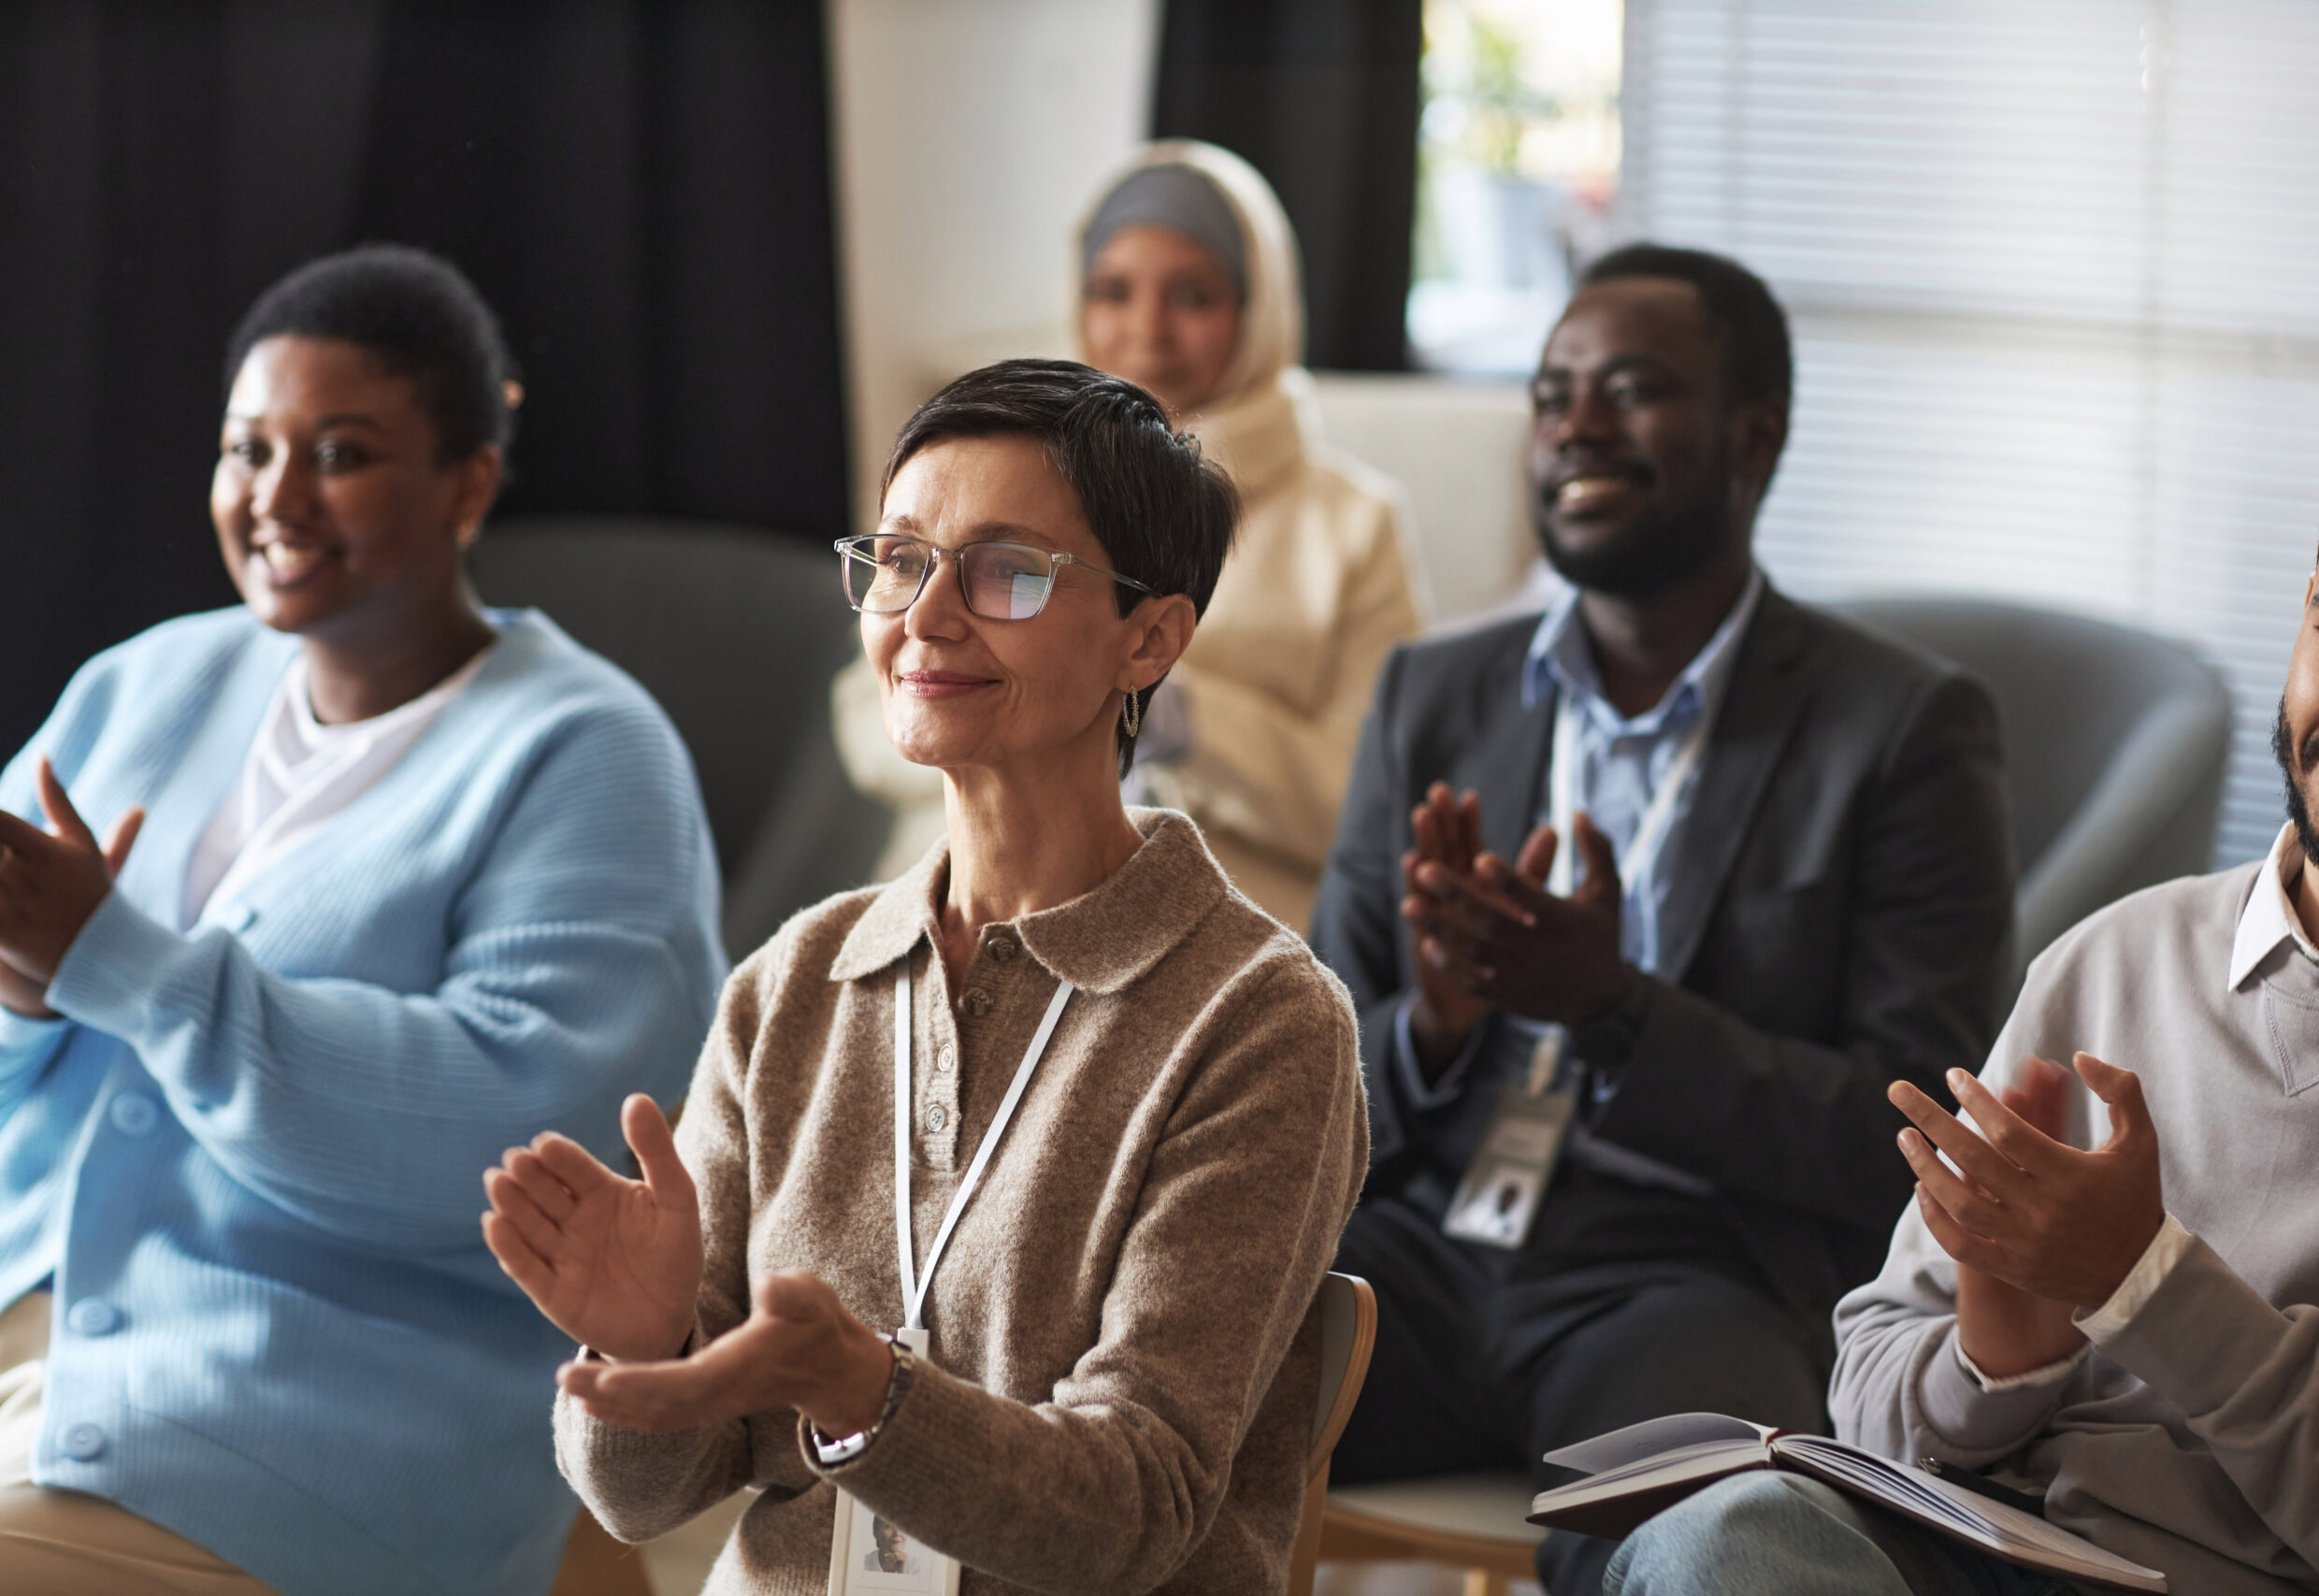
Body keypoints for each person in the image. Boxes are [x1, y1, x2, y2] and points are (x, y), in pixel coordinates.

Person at [483, 360, 1370, 1593]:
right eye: (900, 561)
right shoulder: (797, 979)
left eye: (1005, 571)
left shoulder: (1259, 1020)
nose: (927, 616)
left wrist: (867, 1392)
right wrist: (644, 1346)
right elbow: (643, 1499)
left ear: (1150, 635)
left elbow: (1136, 1503)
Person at [0, 244, 724, 1595]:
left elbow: (522, 1148)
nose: (275, 497)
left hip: (289, 1425)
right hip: (36, 1347)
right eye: (245, 449)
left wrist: (117, 962)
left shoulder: (587, 751)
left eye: (337, 452)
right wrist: (26, 997)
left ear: (469, 484)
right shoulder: (145, 683)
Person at [1310, 243, 2016, 1592]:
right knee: (1109, 1385)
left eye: (1630, 389)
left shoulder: (1907, 729)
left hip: (1680, 1278)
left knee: (1717, 1555)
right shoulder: (1432, 697)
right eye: (1551, 391)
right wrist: (1441, 1023)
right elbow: (1308, 1072)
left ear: (1757, 431)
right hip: (1408, 1252)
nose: (1575, 422)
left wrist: (1615, 1010)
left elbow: (1913, 1140)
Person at [1604, 444, 2319, 1596]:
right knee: (1715, 1536)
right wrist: (1993, 1362)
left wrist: (2143, 1280)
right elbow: (1869, 1392)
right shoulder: (2114, 959)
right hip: (1977, 1552)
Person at [834, 139, 1423, 927]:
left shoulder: (1352, 525)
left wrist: (1187, 718)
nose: (1147, 329)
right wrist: (1011, 720)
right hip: (962, 896)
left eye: (1192, 296)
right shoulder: (988, 486)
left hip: (1229, 917)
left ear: (1261, 312)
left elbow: (1378, 792)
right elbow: (866, 717)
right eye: (1113, 291)